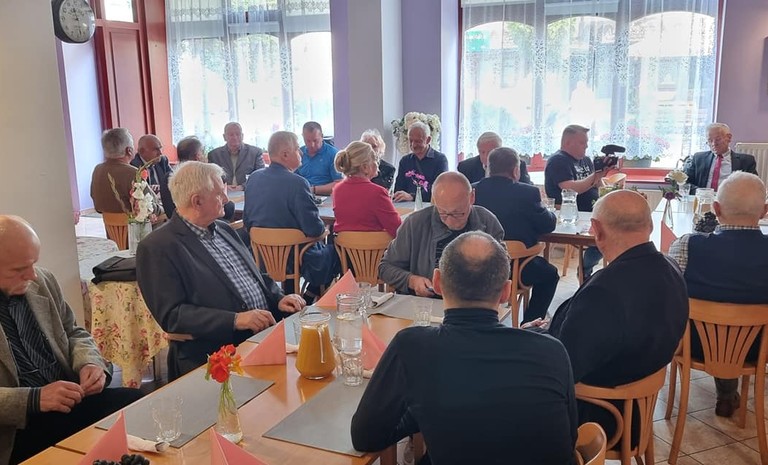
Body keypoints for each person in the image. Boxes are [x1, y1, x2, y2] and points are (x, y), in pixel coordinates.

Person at [352, 231, 577, 465]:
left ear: (437, 282)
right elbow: (570, 439)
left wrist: (422, 405)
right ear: (506, 291)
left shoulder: (412, 347)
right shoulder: (552, 350)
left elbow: (365, 437)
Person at [530, 190, 688, 442]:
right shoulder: (671, 268)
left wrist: (530, 340)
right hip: (637, 403)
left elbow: (564, 367)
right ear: (649, 225)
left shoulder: (605, 291)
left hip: (600, 414)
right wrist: (545, 330)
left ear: (597, 230)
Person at [136, 162, 306, 380]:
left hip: (264, 338)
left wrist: (278, 297)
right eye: (219, 193)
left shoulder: (224, 229)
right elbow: (172, 316)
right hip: (216, 355)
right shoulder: (158, 246)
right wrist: (235, 319)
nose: (226, 199)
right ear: (197, 201)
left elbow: (253, 276)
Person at [0, 216, 143, 464]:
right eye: (19, 269)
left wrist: (90, 364)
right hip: (17, 428)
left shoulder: (43, 282)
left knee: (136, 404)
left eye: (33, 263)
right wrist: (34, 399)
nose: (32, 275)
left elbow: (74, 332)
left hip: (70, 399)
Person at [669, 172, 768, 417]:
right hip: (760, 350)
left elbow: (667, 295)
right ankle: (728, 394)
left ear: (716, 209)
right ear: (764, 212)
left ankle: (725, 393)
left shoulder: (686, 245)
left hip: (695, 346)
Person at [244, 131, 339, 299]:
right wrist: (325, 230)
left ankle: (291, 297)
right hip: (296, 258)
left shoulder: (253, 178)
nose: (301, 152)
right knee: (335, 253)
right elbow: (314, 229)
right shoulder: (298, 183)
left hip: (260, 256)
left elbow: (247, 221)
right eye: (297, 148)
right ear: (285, 154)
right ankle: (309, 297)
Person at [380, 172, 503, 297]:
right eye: (443, 213)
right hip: (426, 303)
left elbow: (502, 271)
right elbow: (385, 267)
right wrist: (411, 281)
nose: (450, 221)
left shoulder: (487, 222)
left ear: (472, 197)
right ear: (435, 201)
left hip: (473, 302)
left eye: (458, 213)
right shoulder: (415, 223)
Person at [474, 147, 559, 323]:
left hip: (478, 266)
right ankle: (530, 322)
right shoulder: (528, 193)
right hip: (516, 270)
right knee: (550, 275)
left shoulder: (473, 191)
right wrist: (550, 212)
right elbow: (547, 224)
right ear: (515, 170)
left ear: (488, 168)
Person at [544, 124, 607, 278]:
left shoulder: (586, 160)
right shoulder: (558, 161)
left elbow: (598, 184)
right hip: (571, 213)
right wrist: (596, 176)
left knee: (617, 229)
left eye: (586, 142)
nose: (586, 146)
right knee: (605, 234)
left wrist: (607, 186)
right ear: (567, 143)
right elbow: (570, 190)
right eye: (582, 142)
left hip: (593, 210)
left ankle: (589, 269)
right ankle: (585, 270)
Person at [332, 141, 402, 238]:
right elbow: (398, 229)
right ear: (365, 167)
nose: (377, 164)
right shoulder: (377, 192)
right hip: (376, 247)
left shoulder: (337, 190)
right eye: (375, 159)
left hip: (344, 246)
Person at [159, 136, 235, 221]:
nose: (205, 156)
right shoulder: (202, 177)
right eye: (203, 152)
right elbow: (227, 210)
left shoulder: (168, 177)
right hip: (205, 224)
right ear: (198, 156)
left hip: (175, 224)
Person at [685, 123, 758, 191]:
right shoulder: (698, 158)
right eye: (710, 140)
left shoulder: (746, 161)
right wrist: (702, 192)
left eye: (718, 139)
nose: (714, 144)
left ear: (729, 138)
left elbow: (754, 186)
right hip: (704, 198)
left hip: (730, 199)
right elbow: (686, 183)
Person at [392, 122, 449, 203]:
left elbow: (439, 188)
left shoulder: (440, 159)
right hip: (407, 206)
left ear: (428, 140)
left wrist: (412, 196)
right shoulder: (405, 161)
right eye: (410, 141)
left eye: (418, 141)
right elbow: (399, 188)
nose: (413, 145)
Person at [90, 128, 138, 214]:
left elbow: (95, 200)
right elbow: (150, 207)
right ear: (129, 150)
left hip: (107, 221)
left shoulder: (97, 169)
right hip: (132, 221)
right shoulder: (133, 172)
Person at [207, 122, 265, 190]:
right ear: (224, 137)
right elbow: (210, 179)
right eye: (231, 135)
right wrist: (223, 187)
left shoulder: (255, 153)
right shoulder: (214, 155)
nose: (235, 137)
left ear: (242, 136)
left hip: (248, 191)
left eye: (238, 134)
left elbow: (260, 176)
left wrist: (243, 187)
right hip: (223, 192)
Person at [457, 131, 532, 184]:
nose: (487, 156)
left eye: (491, 152)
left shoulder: (517, 164)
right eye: (482, 152)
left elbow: (527, 191)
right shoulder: (466, 167)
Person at [295, 121, 342, 195]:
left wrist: (313, 190)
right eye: (308, 141)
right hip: (303, 195)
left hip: (326, 196)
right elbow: (293, 178)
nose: (312, 145)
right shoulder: (299, 153)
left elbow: (339, 183)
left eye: (315, 140)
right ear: (303, 137)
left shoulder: (333, 154)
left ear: (322, 136)